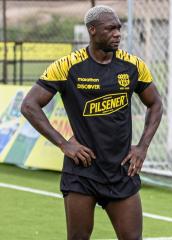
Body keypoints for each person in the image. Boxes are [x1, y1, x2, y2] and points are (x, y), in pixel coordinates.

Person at [20, 5, 163, 240]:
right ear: (92, 30)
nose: (118, 34)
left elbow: (155, 103)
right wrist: (64, 144)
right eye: (111, 29)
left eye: (119, 28)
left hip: (121, 170)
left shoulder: (133, 66)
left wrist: (142, 147)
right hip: (82, 172)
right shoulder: (67, 66)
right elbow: (29, 105)